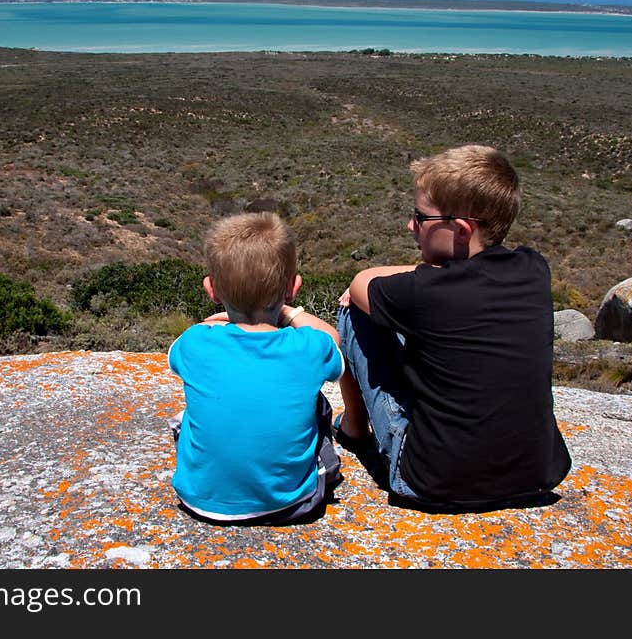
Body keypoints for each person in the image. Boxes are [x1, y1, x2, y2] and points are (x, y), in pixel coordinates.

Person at [335, 144, 571, 511]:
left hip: (429, 482)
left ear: (461, 230)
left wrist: (421, 273)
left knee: (354, 313)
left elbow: (360, 282)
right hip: (537, 475)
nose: (410, 226)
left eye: (420, 217)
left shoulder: (425, 292)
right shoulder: (534, 269)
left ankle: (352, 426)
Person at [167, 211, 344, 524]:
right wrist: (288, 312)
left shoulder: (194, 343)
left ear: (212, 290)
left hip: (196, 499)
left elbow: (188, 340)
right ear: (293, 287)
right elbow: (332, 338)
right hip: (292, 503)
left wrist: (223, 318)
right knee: (318, 405)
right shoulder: (307, 347)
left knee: (196, 411)